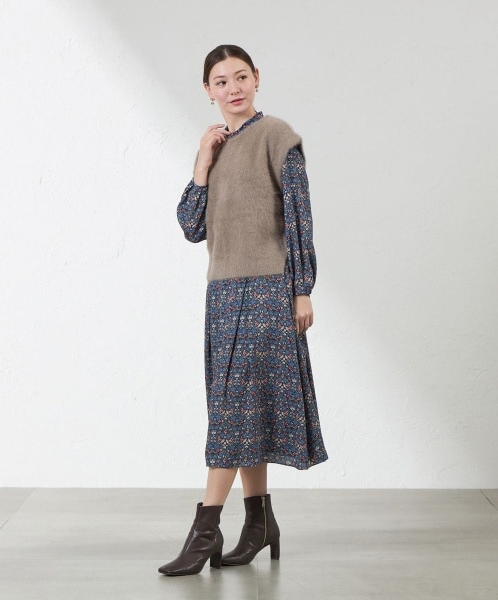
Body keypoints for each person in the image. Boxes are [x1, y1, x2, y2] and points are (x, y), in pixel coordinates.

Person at [158, 44, 328, 577]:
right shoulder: (215, 147)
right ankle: (259, 524)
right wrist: (202, 162)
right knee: (242, 410)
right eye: (220, 81)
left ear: (256, 78)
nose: (232, 88)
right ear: (207, 91)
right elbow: (191, 226)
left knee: (233, 415)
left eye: (240, 77)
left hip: (268, 294)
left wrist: (302, 289)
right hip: (223, 296)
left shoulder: (277, 136)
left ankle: (205, 529)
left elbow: (299, 217)